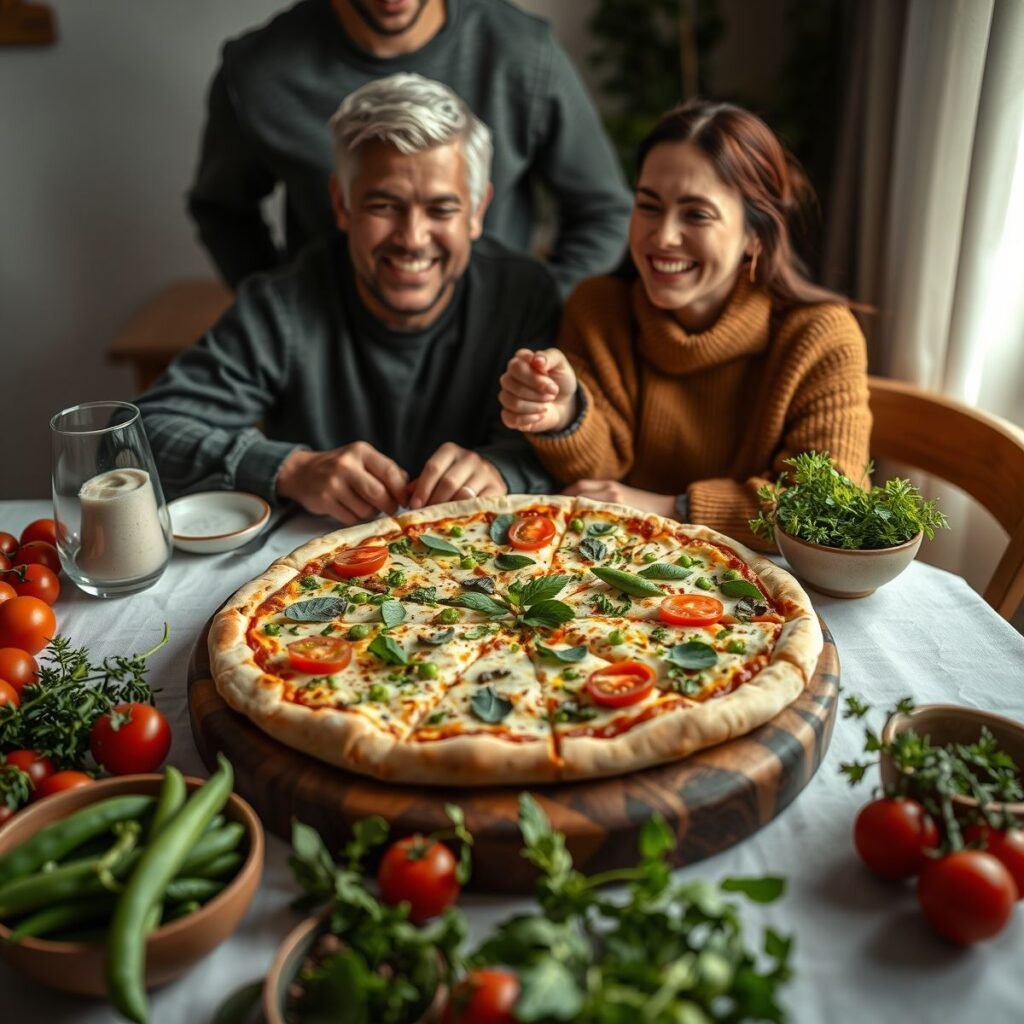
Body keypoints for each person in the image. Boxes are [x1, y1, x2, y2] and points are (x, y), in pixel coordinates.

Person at [138, 74, 557, 523]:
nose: (413, 239)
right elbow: (145, 435)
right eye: (384, 206)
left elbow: (581, 445)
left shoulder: (524, 293)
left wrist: (501, 468)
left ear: (477, 212)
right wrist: (291, 469)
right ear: (341, 204)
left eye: (441, 209)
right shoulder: (281, 304)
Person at [497, 99, 872, 550]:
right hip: (613, 574)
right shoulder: (598, 307)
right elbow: (597, 476)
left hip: (763, 587)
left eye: (696, 214)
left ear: (756, 234)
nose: (663, 236)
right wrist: (566, 413)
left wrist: (673, 508)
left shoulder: (822, 335)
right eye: (649, 206)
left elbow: (829, 507)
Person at [187, 0, 631, 297]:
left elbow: (604, 212)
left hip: (496, 360)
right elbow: (223, 212)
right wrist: (281, 321)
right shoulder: (259, 72)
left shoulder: (522, 53)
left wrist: (536, 314)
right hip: (330, 372)